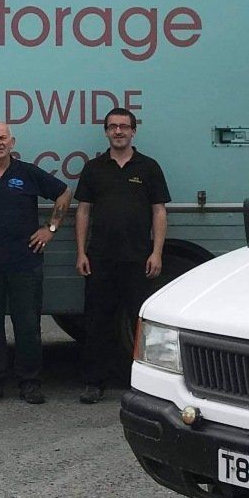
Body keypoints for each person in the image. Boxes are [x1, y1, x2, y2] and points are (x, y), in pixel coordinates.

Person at [0, 120, 71, 405]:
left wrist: (51, 229)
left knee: (28, 324)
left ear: (12, 142)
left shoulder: (27, 173)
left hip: (25, 263)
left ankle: (30, 381)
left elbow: (64, 193)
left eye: (2, 138)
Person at [73, 106, 171, 404]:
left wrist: (157, 252)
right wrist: (81, 252)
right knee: (97, 322)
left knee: (139, 324)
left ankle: (146, 384)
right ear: (106, 131)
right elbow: (83, 211)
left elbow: (159, 210)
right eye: (113, 126)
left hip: (137, 259)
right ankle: (94, 382)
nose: (118, 131)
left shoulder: (148, 167)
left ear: (133, 131)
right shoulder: (94, 168)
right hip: (100, 258)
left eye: (124, 126)